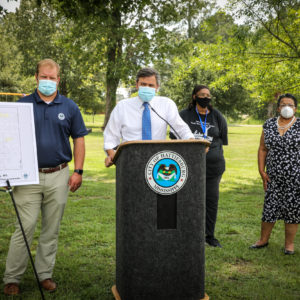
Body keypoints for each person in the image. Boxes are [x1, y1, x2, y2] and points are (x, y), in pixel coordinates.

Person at [3, 59, 88, 296]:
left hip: (59, 175)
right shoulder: (22, 105)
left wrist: (78, 171)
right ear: (36, 77)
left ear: (58, 79)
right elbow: (8, 140)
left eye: (52, 78)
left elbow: (79, 139)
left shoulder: (70, 107)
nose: (48, 81)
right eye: (44, 76)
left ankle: (45, 274)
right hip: (27, 177)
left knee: (51, 228)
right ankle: (12, 278)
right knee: (25, 227)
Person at [170, 85, 228, 247]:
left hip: (213, 168)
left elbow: (221, 139)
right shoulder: (183, 115)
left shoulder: (217, 116)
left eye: (208, 95)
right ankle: (187, 234)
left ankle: (209, 236)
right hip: (188, 167)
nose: (206, 97)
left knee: (211, 200)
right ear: (194, 96)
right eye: (202, 94)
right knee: (188, 200)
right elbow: (174, 138)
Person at [103, 67, 194, 167]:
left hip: (158, 164)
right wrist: (114, 158)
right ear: (137, 84)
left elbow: (181, 128)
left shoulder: (166, 104)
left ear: (157, 87)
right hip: (129, 163)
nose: (147, 87)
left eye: (151, 85)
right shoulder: (122, 106)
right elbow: (110, 137)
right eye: (143, 84)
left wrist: (193, 142)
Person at [250, 93, 299, 255]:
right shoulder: (269, 124)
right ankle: (263, 240)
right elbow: (263, 149)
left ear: (296, 108)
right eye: (283, 104)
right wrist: (261, 171)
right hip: (273, 176)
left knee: (292, 209)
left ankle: (289, 245)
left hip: (296, 177)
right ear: (278, 108)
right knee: (269, 208)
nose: (286, 107)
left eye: (290, 105)